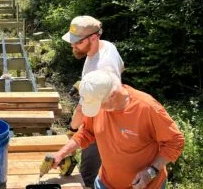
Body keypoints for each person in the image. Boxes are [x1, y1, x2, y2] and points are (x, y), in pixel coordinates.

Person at [51, 70, 185, 189]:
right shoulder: (99, 105)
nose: (97, 110)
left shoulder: (147, 108)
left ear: (112, 95)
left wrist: (150, 172)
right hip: (105, 183)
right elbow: (86, 132)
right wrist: (61, 153)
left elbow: (175, 142)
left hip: (147, 185)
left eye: (99, 105)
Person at [61, 15, 125, 187]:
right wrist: (85, 84)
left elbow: (82, 110)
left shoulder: (101, 66)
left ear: (94, 37)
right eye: (72, 41)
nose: (73, 46)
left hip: (101, 124)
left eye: (78, 42)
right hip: (101, 113)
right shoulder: (108, 47)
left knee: (88, 173)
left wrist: (72, 131)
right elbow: (121, 67)